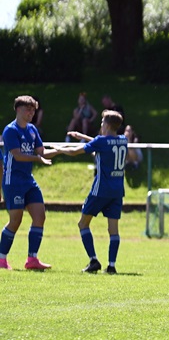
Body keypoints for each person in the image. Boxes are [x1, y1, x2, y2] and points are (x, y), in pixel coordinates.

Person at [1, 95, 63, 270]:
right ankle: (1, 259)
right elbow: (18, 155)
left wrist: (60, 150)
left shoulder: (32, 129)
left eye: (33, 110)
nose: (31, 113)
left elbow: (42, 152)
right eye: (28, 110)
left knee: (40, 216)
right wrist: (37, 158)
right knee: (15, 220)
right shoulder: (10, 130)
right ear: (18, 109)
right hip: (13, 180)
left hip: (28, 180)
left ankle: (32, 259)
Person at [63, 110, 129, 274]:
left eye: (102, 122)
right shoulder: (123, 140)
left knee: (83, 224)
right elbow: (105, 144)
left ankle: (93, 260)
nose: (101, 125)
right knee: (113, 230)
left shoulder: (101, 141)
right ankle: (111, 266)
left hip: (101, 190)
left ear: (107, 124)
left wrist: (58, 149)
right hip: (117, 191)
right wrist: (83, 137)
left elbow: (75, 152)